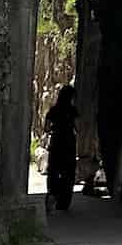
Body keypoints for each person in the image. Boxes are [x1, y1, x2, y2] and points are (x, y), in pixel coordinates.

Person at [43, 84, 78, 214]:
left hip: (56, 143)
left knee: (53, 171)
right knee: (68, 173)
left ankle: (52, 196)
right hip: (69, 144)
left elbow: (46, 128)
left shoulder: (53, 110)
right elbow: (78, 128)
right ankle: (63, 202)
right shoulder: (73, 111)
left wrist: (54, 128)